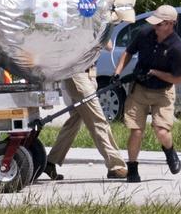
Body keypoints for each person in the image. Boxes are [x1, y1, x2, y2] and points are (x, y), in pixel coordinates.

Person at [114, 4, 181, 183]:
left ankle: (169, 151)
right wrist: (117, 73)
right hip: (140, 89)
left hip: (163, 92)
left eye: (158, 24)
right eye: (154, 23)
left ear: (170, 24)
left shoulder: (177, 47)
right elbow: (128, 52)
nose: (154, 27)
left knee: (161, 131)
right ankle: (132, 168)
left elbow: (178, 79)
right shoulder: (145, 33)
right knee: (136, 131)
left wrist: (155, 72)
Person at [44, 51, 128, 181]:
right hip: (77, 74)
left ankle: (50, 162)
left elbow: (109, 46)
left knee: (74, 123)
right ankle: (115, 166)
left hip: (89, 74)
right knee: (98, 121)